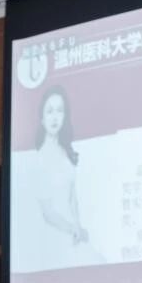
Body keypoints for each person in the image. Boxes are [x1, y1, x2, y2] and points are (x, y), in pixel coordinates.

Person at [32, 86, 89, 252]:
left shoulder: (66, 151)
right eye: (49, 111)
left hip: (72, 230)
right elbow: (47, 213)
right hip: (54, 234)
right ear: (42, 118)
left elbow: (72, 196)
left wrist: (77, 225)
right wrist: (72, 229)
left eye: (59, 110)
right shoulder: (40, 159)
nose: (55, 117)